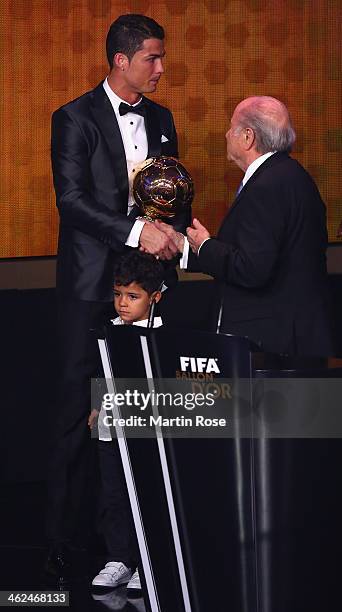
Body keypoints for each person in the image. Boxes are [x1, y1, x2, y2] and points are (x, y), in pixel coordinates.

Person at [46, 14, 188, 583]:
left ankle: (133, 545)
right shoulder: (73, 118)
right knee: (75, 417)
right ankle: (63, 541)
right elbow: (72, 201)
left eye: (161, 58)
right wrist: (136, 233)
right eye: (152, 58)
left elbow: (167, 191)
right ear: (121, 60)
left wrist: (173, 230)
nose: (160, 68)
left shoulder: (162, 118)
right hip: (89, 290)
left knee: (139, 412)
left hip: (146, 289)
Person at [156, 96, 334, 356]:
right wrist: (187, 246)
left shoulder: (266, 186)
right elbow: (259, 252)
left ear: (248, 137)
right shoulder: (290, 175)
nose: (227, 134)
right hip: (296, 335)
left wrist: (205, 246)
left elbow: (252, 269)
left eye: (231, 127)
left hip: (275, 344)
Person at [88, 251, 164, 591]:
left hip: (147, 431)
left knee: (146, 495)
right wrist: (96, 407)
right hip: (110, 427)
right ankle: (119, 558)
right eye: (118, 294)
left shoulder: (162, 336)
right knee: (114, 494)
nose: (122, 303)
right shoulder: (109, 330)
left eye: (132, 296)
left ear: (154, 297)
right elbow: (101, 373)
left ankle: (148, 563)